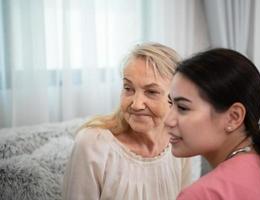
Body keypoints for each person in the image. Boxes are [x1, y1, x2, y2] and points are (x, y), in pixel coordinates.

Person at [165, 48, 260, 200]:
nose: (168, 120)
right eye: (170, 104)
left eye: (183, 108)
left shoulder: (203, 194)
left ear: (233, 117)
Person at [63, 43, 193, 200]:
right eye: (128, 88)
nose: (136, 104)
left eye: (151, 92)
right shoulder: (92, 143)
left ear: (176, 96)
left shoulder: (181, 141)